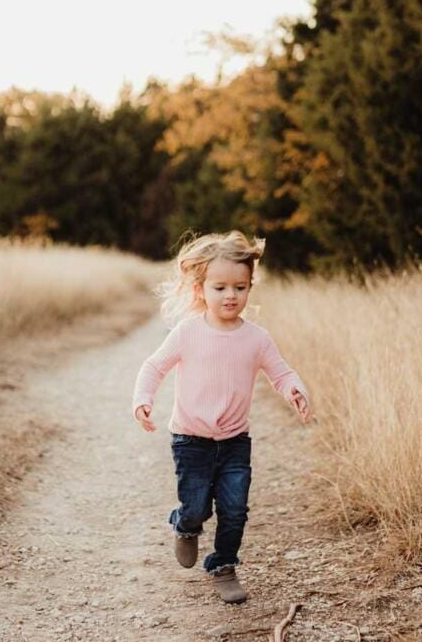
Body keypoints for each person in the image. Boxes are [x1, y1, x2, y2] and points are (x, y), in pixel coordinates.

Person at [131, 230, 311, 605]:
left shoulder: (257, 339)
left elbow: (281, 373)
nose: (231, 295)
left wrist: (295, 389)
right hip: (190, 441)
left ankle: (223, 565)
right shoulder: (187, 332)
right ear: (201, 290)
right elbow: (154, 367)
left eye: (240, 287)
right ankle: (185, 524)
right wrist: (143, 399)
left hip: (234, 444)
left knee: (234, 511)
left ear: (249, 288)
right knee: (197, 506)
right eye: (220, 287)